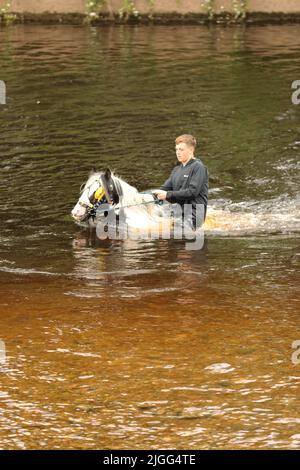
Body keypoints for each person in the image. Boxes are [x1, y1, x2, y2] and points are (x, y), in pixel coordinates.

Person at [153, 134, 208, 229]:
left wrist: (167, 195)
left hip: (193, 215)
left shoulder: (199, 167)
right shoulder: (176, 170)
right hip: (178, 213)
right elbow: (163, 189)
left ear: (191, 150)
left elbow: (192, 192)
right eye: (176, 149)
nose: (178, 152)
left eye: (181, 150)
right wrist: (143, 196)